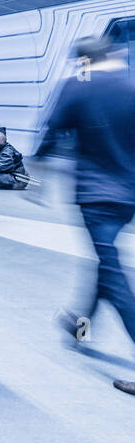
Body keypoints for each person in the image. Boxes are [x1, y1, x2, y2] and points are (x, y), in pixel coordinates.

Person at [37, 35, 135, 381]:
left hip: (96, 196)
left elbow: (51, 134)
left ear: (83, 62)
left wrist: (40, 179)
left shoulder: (78, 85)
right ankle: (78, 326)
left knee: (112, 274)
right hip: (128, 196)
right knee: (104, 264)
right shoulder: (130, 84)